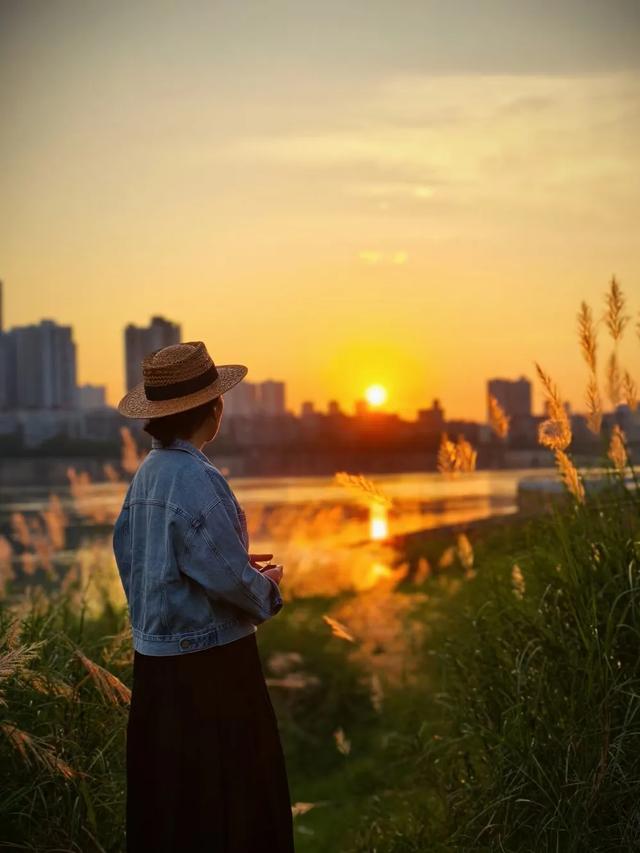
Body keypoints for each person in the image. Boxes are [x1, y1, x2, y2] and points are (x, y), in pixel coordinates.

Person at [112, 340, 295, 852]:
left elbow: (140, 564)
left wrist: (233, 565)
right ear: (211, 409)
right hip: (212, 673)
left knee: (173, 811)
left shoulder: (145, 477)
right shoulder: (198, 478)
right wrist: (268, 588)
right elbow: (235, 584)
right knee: (232, 808)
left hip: (156, 672)